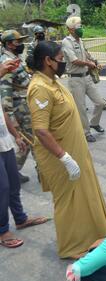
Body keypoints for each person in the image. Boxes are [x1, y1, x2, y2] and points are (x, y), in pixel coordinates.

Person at [27, 41, 106, 259]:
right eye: (60, 58)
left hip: (73, 150)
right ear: (48, 61)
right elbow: (41, 130)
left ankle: (93, 229)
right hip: (59, 156)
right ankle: (72, 246)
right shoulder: (40, 88)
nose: (63, 61)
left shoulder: (52, 81)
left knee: (84, 192)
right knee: (67, 201)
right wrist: (64, 157)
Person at [0, 60, 48, 249]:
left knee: (13, 183)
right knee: (2, 188)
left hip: (4, 142)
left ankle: (20, 218)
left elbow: (2, 111)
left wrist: (15, 134)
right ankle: (3, 230)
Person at [62, 16, 106, 143]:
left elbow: (86, 55)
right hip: (75, 79)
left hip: (87, 77)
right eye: (78, 27)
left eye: (81, 26)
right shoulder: (67, 42)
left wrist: (94, 61)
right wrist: (89, 64)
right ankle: (86, 132)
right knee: (81, 108)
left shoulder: (80, 40)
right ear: (70, 29)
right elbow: (74, 60)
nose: (80, 29)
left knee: (99, 102)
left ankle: (94, 123)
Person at [0, 30, 34, 184]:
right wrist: (12, 121)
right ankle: (44, 173)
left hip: (25, 105)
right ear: (9, 44)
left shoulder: (15, 58)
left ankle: (10, 171)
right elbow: (5, 95)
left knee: (26, 142)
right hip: (20, 109)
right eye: (17, 42)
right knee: (34, 140)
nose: (20, 44)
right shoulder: (6, 63)